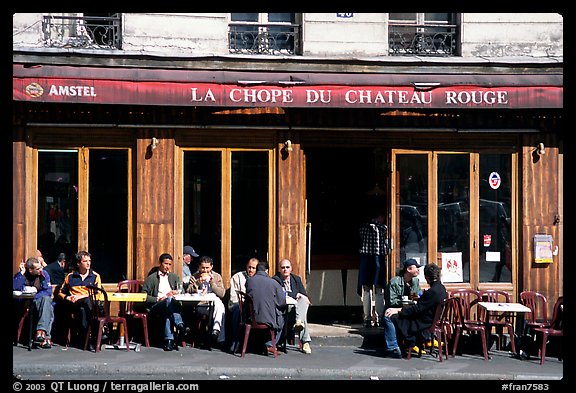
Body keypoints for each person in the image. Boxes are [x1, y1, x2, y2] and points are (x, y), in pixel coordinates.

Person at [384, 263, 447, 357]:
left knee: (388, 316)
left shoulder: (417, 282)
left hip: (421, 322)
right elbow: (392, 300)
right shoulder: (395, 282)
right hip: (425, 317)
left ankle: (393, 348)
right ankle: (402, 345)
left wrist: (399, 309)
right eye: (416, 267)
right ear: (408, 269)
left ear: (426, 277)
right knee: (392, 313)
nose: (418, 269)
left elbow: (417, 307)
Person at [141, 253, 189, 351]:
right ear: (160, 263)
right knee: (168, 301)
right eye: (165, 264)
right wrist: (158, 299)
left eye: (169, 264)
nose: (167, 267)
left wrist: (175, 292)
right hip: (156, 305)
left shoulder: (174, 277)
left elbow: (182, 291)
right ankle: (180, 324)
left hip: (171, 305)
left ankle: (169, 341)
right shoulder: (152, 278)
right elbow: (143, 295)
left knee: (168, 310)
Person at [58, 250, 103, 347]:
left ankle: (84, 337)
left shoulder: (95, 276)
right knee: (84, 307)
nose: (88, 263)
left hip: (89, 304)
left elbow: (98, 294)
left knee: (85, 306)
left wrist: (82, 296)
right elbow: (61, 292)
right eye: (85, 261)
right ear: (78, 263)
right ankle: (94, 333)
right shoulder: (70, 277)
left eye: (89, 261)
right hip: (74, 304)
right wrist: (68, 298)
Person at [246, 260, 287, 355]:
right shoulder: (274, 283)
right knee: (282, 318)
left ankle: (260, 344)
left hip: (251, 317)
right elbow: (282, 303)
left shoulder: (249, 281)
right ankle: (269, 344)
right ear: (267, 270)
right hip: (268, 319)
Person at [13, 257, 55, 349]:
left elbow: (47, 291)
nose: (41, 270)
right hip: (24, 303)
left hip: (38, 301)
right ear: (30, 270)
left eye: (41, 267)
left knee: (46, 300)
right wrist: (21, 274)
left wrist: (34, 296)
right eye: (38, 269)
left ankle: (41, 332)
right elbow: (16, 288)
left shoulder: (44, 274)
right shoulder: (22, 275)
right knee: (49, 308)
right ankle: (45, 337)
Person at [272, 258, 312, 354]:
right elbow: (280, 294)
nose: (285, 269)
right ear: (279, 269)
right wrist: (295, 294)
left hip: (295, 308)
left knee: (303, 302)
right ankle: (305, 341)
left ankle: (299, 322)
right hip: (283, 309)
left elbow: (304, 295)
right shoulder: (275, 280)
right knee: (303, 317)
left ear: (291, 268)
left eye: (287, 267)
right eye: (283, 267)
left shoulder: (296, 279)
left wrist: (302, 297)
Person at [357, 210, 388, 328]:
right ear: (379, 216)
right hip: (378, 258)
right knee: (379, 290)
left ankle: (367, 318)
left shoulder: (363, 227)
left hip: (365, 258)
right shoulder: (383, 228)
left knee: (366, 289)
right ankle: (380, 318)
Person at [187, 255, 226, 345]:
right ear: (199, 267)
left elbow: (222, 293)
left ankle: (216, 331)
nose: (205, 270)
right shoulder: (194, 276)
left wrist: (212, 283)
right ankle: (217, 333)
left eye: (207, 268)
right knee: (219, 306)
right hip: (201, 304)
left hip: (213, 304)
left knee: (218, 303)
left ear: (211, 267)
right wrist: (198, 282)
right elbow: (188, 290)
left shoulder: (217, 277)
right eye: (203, 268)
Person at [228, 257, 259, 353]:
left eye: (253, 268)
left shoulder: (260, 279)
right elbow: (233, 297)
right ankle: (235, 341)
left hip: (254, 307)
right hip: (239, 304)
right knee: (237, 310)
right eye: (249, 267)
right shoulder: (237, 277)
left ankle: (263, 344)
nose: (251, 270)